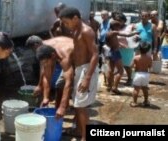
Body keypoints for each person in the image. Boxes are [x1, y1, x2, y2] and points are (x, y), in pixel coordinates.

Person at [59, 7, 99, 141]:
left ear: (75, 18)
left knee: (81, 105)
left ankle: (84, 137)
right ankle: (78, 130)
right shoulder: (75, 30)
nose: (65, 25)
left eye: (66, 22)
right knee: (77, 103)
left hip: (86, 70)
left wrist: (87, 78)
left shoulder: (86, 31)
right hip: (79, 69)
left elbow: (95, 55)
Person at [26, 36, 73, 111]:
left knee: (76, 90)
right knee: (59, 84)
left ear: (36, 45)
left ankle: (75, 116)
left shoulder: (59, 52)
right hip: (69, 62)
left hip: (81, 63)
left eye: (33, 49)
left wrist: (62, 107)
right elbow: (46, 74)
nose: (34, 52)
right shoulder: (45, 51)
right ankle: (58, 110)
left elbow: (69, 82)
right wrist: (45, 98)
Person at [106, 20, 139, 94]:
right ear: (115, 26)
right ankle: (115, 87)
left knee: (110, 70)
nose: (119, 28)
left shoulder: (108, 33)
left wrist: (117, 45)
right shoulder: (114, 32)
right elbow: (127, 35)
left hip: (110, 52)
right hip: (116, 52)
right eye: (118, 27)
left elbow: (108, 43)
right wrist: (136, 32)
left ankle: (109, 86)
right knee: (121, 71)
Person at [116, 13, 136, 86]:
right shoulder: (115, 27)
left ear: (124, 21)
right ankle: (116, 80)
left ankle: (129, 79)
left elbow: (135, 35)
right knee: (117, 65)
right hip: (117, 48)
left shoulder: (129, 27)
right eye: (117, 20)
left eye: (120, 20)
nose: (118, 22)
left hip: (127, 49)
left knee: (127, 65)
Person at [130, 42, 152, 107]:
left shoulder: (136, 57)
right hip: (145, 74)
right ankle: (146, 101)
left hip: (138, 74)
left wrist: (135, 67)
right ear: (148, 50)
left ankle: (134, 102)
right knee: (145, 88)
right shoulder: (149, 58)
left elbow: (131, 66)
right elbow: (150, 66)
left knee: (136, 89)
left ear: (139, 49)